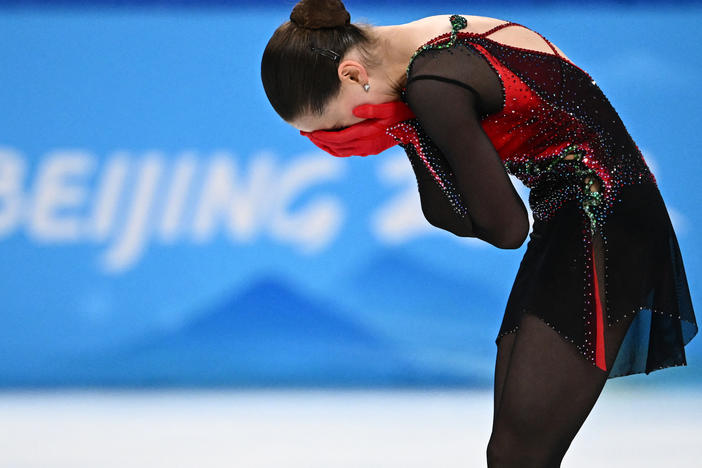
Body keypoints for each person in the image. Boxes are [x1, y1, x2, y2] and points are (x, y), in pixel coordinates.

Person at [261, 1, 699, 466]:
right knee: (512, 450)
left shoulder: (434, 85)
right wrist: (411, 124)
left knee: (518, 453)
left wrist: (410, 133)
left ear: (352, 76)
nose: (338, 143)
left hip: (602, 223)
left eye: (334, 128)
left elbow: (505, 227)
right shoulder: (431, 42)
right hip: (584, 219)